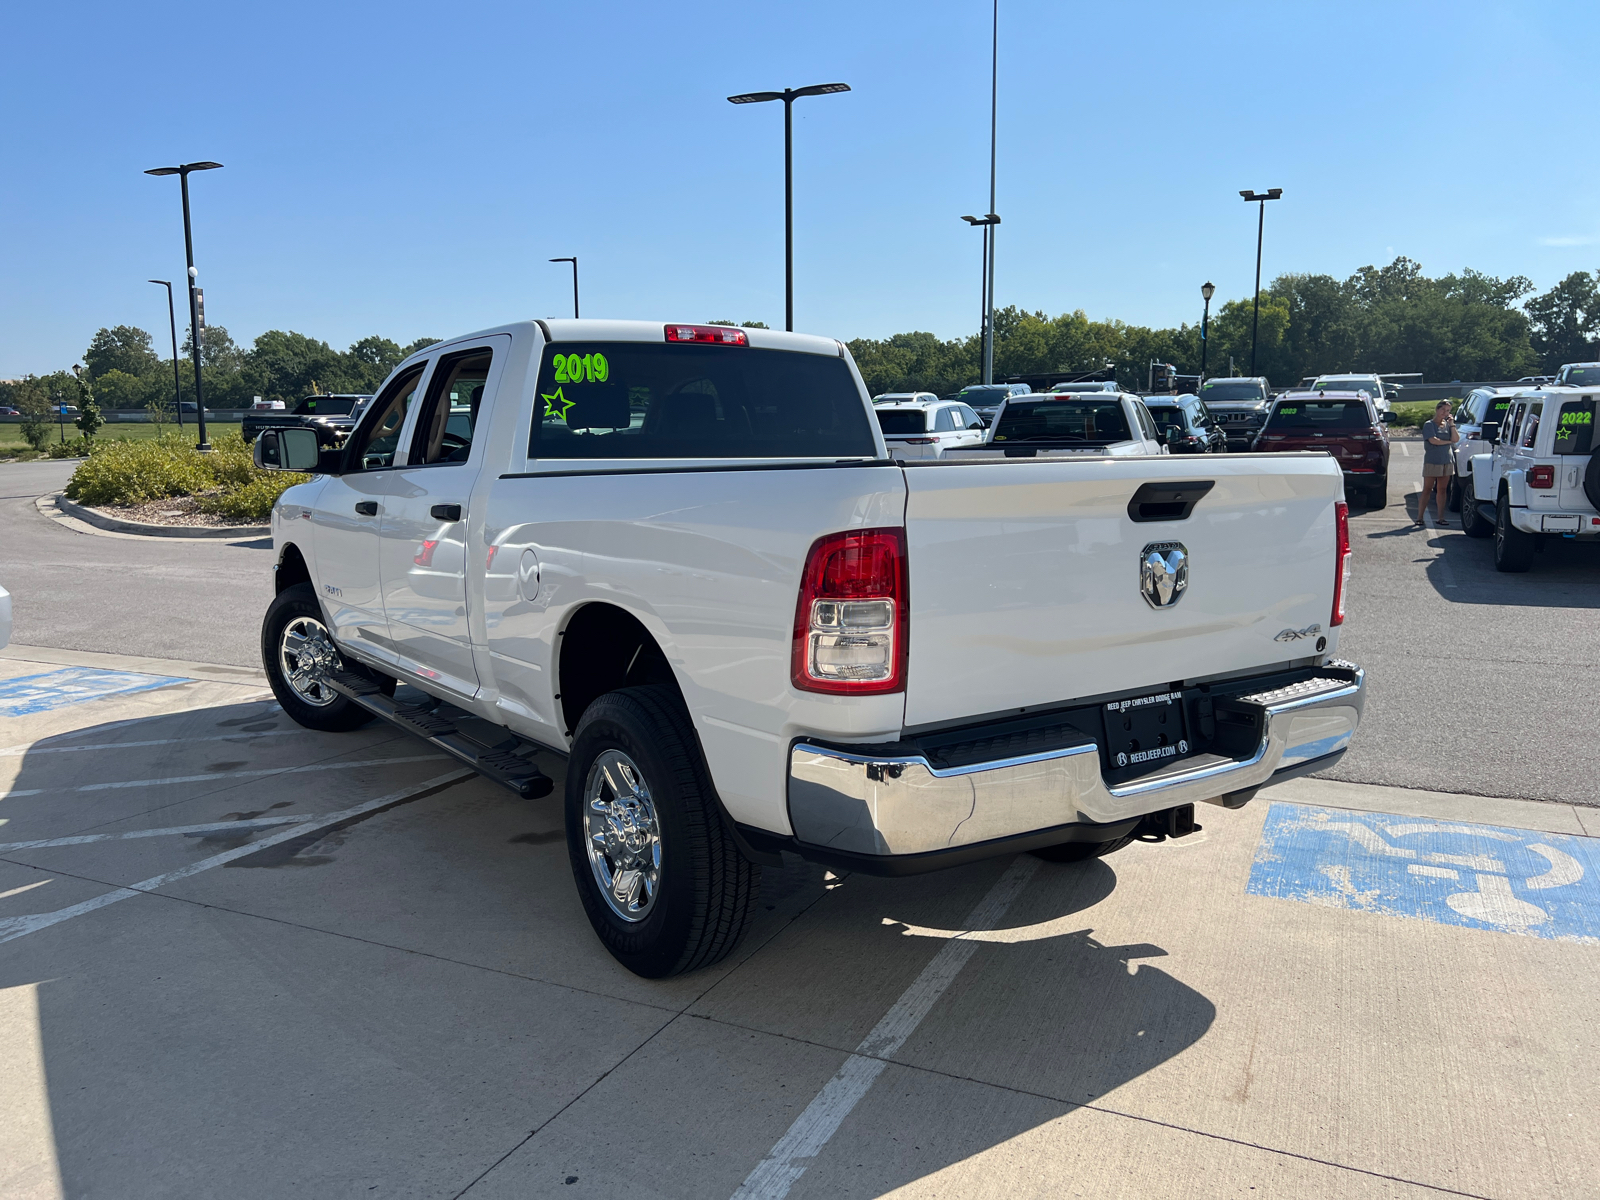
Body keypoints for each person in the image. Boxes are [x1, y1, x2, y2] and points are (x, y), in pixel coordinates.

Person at [1416, 401, 1459, 527]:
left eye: (1448, 411)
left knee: (1442, 489)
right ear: (1437, 409)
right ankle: (1420, 517)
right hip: (1432, 461)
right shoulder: (1429, 425)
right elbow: (1433, 440)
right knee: (1427, 489)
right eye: (1443, 410)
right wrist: (1448, 441)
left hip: (1447, 461)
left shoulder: (1447, 425)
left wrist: (1452, 425)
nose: (1445, 413)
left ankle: (1441, 517)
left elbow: (1456, 439)